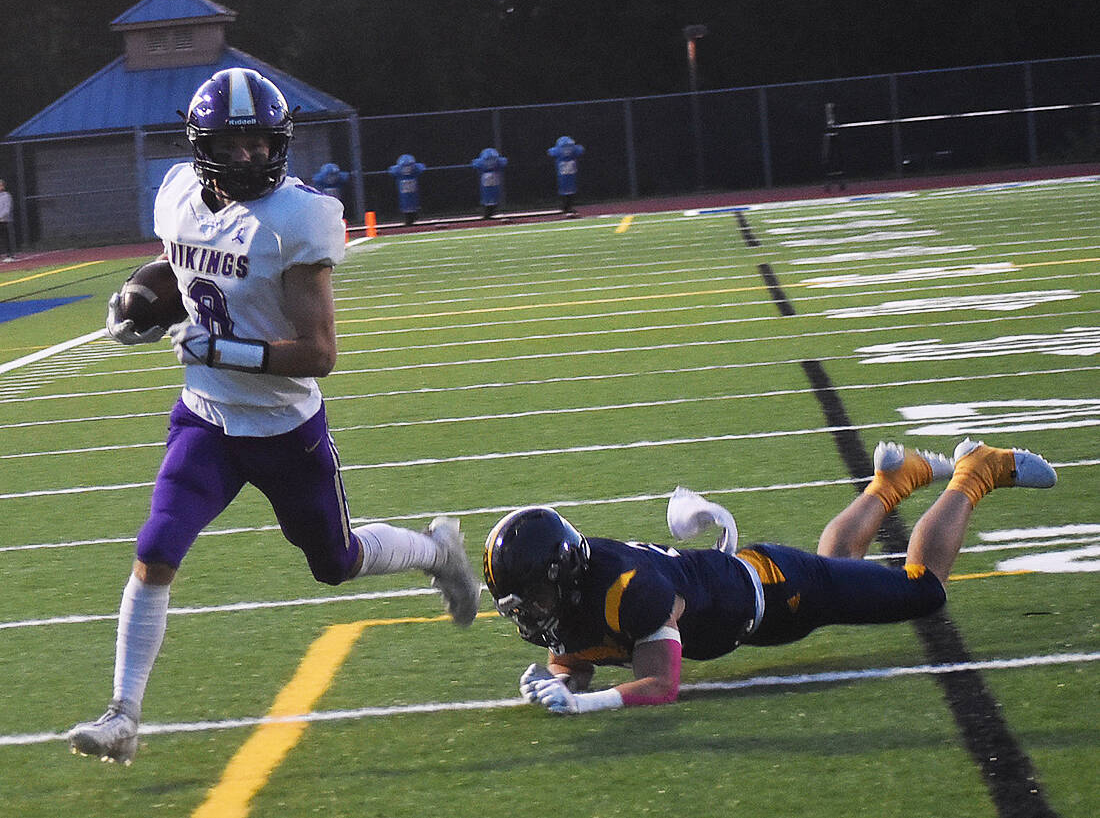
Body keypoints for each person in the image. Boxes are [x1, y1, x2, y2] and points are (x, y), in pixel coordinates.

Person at [67, 68, 480, 764]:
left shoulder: (300, 218)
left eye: (264, 142)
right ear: (203, 146)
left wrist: (220, 346)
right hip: (205, 420)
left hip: (284, 429)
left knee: (335, 560)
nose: (254, 155)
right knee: (156, 547)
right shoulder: (177, 196)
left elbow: (319, 353)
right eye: (238, 143)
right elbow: (182, 266)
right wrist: (135, 298)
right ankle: (123, 715)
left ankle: (439, 551)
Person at [483, 438, 1057, 715]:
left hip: (780, 591)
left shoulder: (628, 590)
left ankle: (977, 471)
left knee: (922, 590)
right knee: (840, 575)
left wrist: (586, 704)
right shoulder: (569, 598)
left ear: (560, 575)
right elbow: (576, 656)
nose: (525, 610)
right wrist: (561, 683)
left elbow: (662, 684)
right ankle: (892, 483)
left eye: (530, 594)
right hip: (761, 600)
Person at [0, 179, 14, 261]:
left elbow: (7, 209)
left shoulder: (6, 196)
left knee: (5, 238)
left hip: (4, 221)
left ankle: (9, 255)